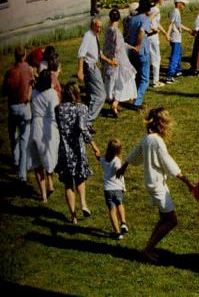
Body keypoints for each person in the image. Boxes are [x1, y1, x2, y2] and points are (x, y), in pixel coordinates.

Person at [117, 107, 194, 264]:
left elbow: (135, 153)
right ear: (162, 123)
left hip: (153, 183)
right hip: (157, 185)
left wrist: (124, 167)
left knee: (163, 219)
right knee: (172, 221)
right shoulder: (157, 141)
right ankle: (147, 250)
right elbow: (169, 163)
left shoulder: (147, 139)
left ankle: (149, 248)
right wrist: (187, 182)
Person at [54, 80, 100, 223]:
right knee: (80, 178)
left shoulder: (58, 109)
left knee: (68, 183)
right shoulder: (82, 108)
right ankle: (84, 204)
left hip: (64, 149)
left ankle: (73, 215)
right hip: (78, 148)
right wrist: (93, 146)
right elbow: (83, 129)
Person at [27, 64, 61, 201]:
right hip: (48, 126)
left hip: (36, 126)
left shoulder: (35, 93)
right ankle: (50, 182)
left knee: (37, 162)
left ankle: (43, 195)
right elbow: (54, 112)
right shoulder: (52, 94)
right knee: (48, 156)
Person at [5, 46, 35, 183]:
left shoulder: (10, 72)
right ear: (24, 55)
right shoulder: (28, 69)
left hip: (13, 106)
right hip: (25, 107)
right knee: (24, 140)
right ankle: (22, 174)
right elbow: (32, 83)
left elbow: (4, 90)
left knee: (13, 135)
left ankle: (16, 160)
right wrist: (28, 93)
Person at [102, 9, 138, 118]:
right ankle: (115, 103)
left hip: (110, 59)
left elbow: (112, 45)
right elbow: (118, 46)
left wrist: (131, 47)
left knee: (113, 82)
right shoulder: (116, 31)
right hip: (118, 60)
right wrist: (115, 57)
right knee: (122, 82)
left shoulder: (108, 30)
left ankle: (114, 103)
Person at [76, 17, 108, 126]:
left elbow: (99, 53)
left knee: (92, 96)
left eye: (100, 27)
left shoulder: (95, 35)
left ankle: (84, 121)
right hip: (90, 67)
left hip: (93, 66)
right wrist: (80, 71)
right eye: (97, 27)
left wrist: (109, 61)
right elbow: (81, 54)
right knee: (101, 96)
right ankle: (87, 122)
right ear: (92, 25)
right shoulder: (88, 36)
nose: (99, 29)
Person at [123, 0, 155, 109]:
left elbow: (132, 33)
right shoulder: (145, 19)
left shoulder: (131, 19)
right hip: (142, 51)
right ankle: (137, 101)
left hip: (131, 51)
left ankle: (132, 96)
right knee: (145, 79)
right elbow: (141, 31)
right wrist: (138, 45)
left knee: (135, 76)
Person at [98, 138, 129, 240]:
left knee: (112, 211)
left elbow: (97, 156)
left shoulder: (104, 159)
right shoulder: (117, 161)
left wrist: (93, 146)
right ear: (118, 150)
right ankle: (123, 223)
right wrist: (123, 186)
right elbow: (118, 172)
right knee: (120, 205)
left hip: (108, 189)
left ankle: (117, 233)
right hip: (117, 188)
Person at [147, 0, 167, 88]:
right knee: (156, 58)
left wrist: (165, 33)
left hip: (150, 36)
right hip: (152, 36)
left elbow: (156, 22)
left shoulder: (152, 9)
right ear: (159, 0)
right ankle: (156, 81)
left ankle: (148, 79)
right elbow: (148, 21)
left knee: (150, 58)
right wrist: (153, 29)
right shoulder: (156, 10)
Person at [165, 0, 188, 81]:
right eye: (183, 3)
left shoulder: (174, 11)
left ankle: (178, 70)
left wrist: (189, 30)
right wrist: (167, 34)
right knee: (175, 56)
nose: (184, 5)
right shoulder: (175, 12)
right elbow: (171, 24)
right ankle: (169, 75)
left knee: (179, 54)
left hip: (176, 37)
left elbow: (178, 24)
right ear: (178, 3)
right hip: (175, 37)